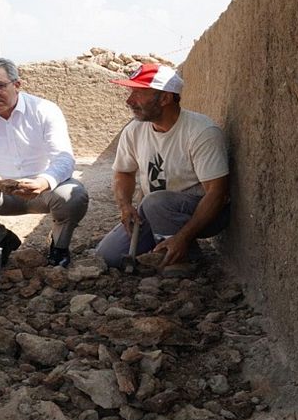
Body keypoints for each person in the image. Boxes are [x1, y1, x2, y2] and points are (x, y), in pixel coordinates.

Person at [0, 57, 89, 267]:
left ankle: (59, 245)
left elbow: (63, 158)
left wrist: (44, 182)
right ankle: (1, 240)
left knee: (74, 196)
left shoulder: (44, 109)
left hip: (42, 192)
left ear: (17, 85)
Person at [95, 64, 230, 270]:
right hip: (154, 211)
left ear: (165, 98)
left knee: (156, 202)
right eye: (131, 92)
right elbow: (123, 172)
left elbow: (216, 193)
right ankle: (167, 243)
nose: (129, 100)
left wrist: (183, 237)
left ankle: (184, 258)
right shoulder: (134, 131)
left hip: (206, 214)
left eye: (139, 93)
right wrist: (125, 206)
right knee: (109, 256)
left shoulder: (201, 131)